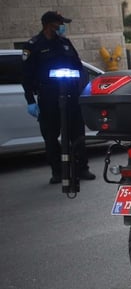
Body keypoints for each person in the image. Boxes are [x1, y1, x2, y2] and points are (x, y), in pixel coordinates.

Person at [22, 11, 95, 184]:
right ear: (49, 25)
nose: (62, 27)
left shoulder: (65, 43)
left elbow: (78, 67)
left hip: (70, 95)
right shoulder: (34, 45)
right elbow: (26, 76)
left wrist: (81, 89)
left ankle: (81, 168)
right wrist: (30, 101)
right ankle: (58, 171)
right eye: (59, 23)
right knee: (51, 136)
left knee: (77, 134)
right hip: (49, 97)